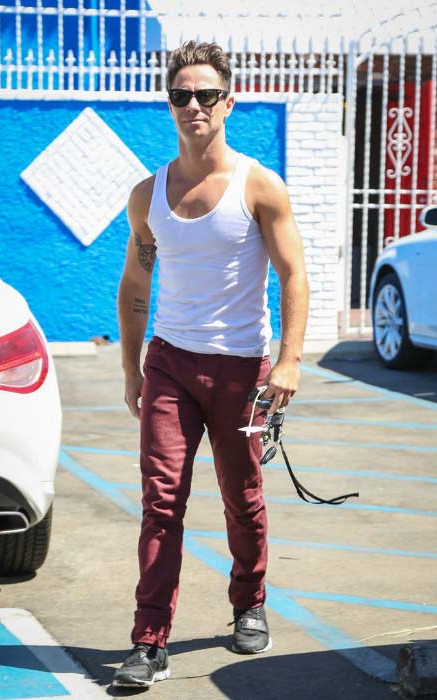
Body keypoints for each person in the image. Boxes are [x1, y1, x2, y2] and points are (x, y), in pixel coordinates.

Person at [114, 40, 309, 688]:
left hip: (243, 369)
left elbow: (292, 275)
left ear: (229, 101)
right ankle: (148, 640)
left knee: (241, 496)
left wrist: (288, 362)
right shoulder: (147, 194)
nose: (191, 105)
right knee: (160, 502)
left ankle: (248, 603)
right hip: (170, 361)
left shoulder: (259, 185)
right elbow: (134, 285)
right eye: (180, 95)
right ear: (169, 105)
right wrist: (131, 368)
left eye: (204, 95)